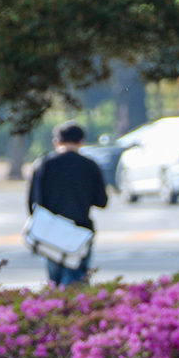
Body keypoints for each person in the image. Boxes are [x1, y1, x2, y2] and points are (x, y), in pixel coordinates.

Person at [26, 121, 109, 286]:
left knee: (54, 283)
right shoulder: (90, 165)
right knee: (77, 282)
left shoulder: (43, 164)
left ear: (57, 141)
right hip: (80, 231)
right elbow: (102, 201)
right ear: (81, 141)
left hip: (51, 233)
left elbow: (33, 203)